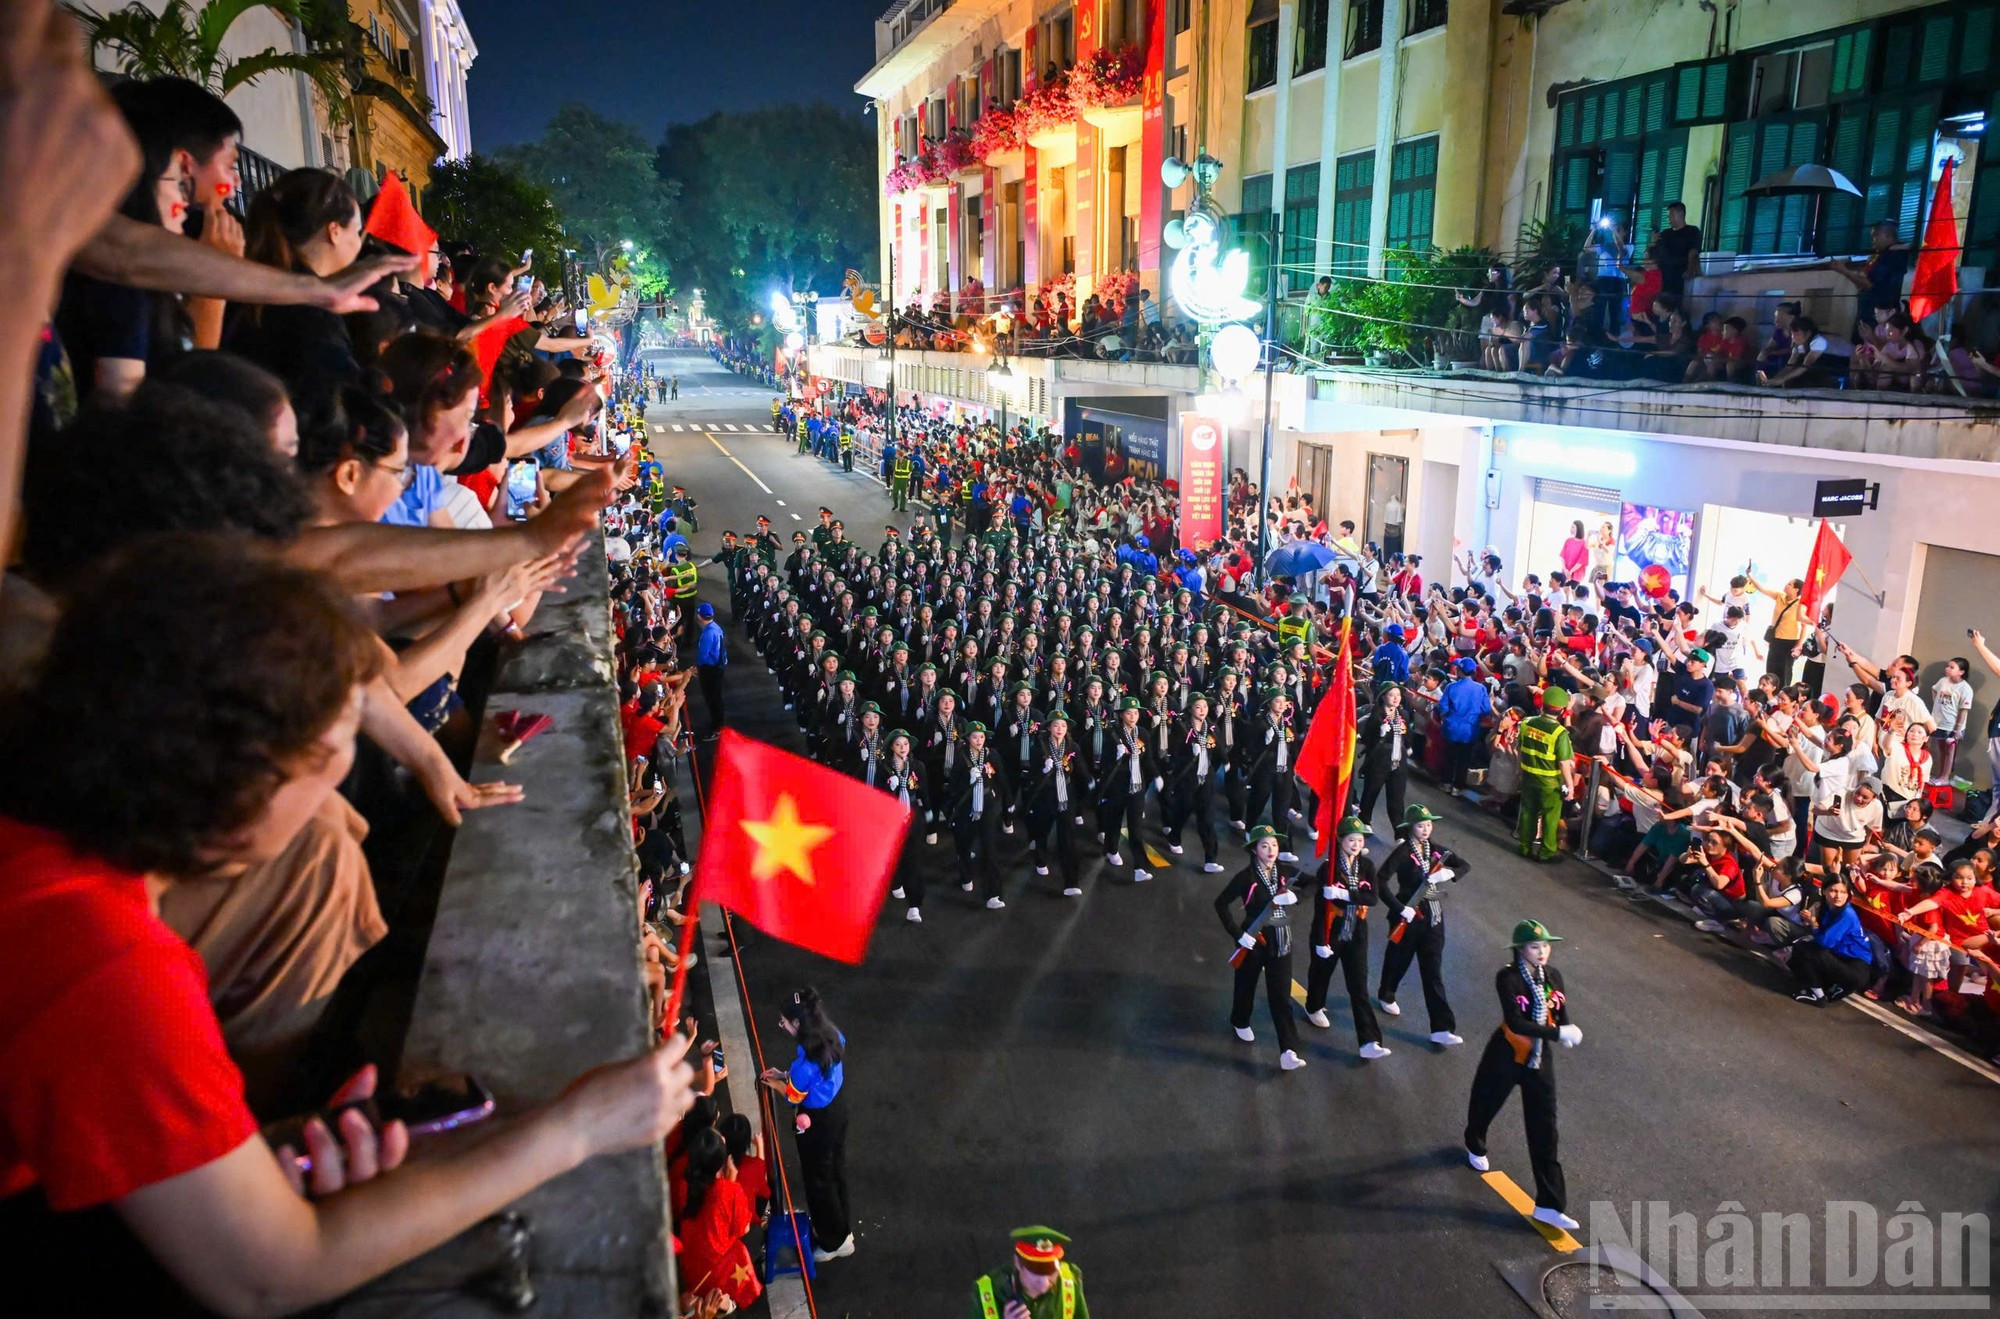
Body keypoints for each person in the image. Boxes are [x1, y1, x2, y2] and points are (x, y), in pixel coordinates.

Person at [0, 538, 698, 1315]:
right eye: (331, 764)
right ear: (248, 783)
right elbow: (268, 1272)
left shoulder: (53, 845)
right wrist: (574, 1127)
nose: (338, 799)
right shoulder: (102, 964)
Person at [1463, 920, 1582, 1232]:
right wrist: (1558, 1033)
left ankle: (1550, 1204)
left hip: (1540, 1059)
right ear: (1520, 949)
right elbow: (1515, 1023)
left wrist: (1566, 1032)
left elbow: (1560, 1013)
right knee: (1485, 1104)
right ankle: (1474, 1141)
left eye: (1545, 945)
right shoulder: (1508, 977)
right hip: (1506, 1053)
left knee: (1546, 1128)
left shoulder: (1554, 976)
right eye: (1534, 946)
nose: (1541, 952)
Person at [759, 987, 853, 1262]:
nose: (784, 1026)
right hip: (837, 1110)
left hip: (817, 1124)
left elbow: (792, 1096)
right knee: (836, 1171)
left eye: (784, 1022)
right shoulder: (834, 1035)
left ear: (797, 1024)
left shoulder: (804, 1067)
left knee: (818, 1181)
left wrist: (776, 1082)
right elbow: (816, 1076)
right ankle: (842, 1227)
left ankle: (833, 1241)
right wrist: (785, 1074)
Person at [1213, 825, 1307, 1071]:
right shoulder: (1246, 877)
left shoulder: (1285, 872)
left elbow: (1313, 883)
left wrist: (1297, 898)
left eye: (1274, 845)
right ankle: (1240, 1020)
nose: (1271, 850)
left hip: (1281, 940)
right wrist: (1238, 934)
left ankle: (1288, 1049)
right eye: (1264, 846)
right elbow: (1221, 903)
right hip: (1254, 940)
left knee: (1281, 997)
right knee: (1246, 985)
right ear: (1254, 850)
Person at [1376, 804, 1468, 1044]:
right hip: (1408, 914)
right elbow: (1380, 880)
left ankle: (1441, 1027)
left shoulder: (1437, 850)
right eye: (1420, 825)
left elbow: (1463, 864)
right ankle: (1387, 993)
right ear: (1410, 827)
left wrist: (1449, 874)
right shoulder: (1403, 852)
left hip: (1434, 916)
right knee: (1398, 960)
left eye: (1428, 824)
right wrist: (1399, 908)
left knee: (1433, 971)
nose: (1426, 829)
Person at [1303, 818, 1391, 1058]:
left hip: (1357, 930)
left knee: (1359, 985)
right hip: (1332, 927)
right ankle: (1313, 1006)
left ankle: (1369, 1041)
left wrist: (1345, 893)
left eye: (1360, 840)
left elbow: (1372, 898)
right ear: (1340, 839)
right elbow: (1321, 909)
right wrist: (1321, 941)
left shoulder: (1367, 866)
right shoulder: (1328, 869)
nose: (1356, 843)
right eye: (1351, 839)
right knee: (1321, 973)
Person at [1785, 876, 1875, 1005]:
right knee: (1801, 951)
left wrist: (1814, 923)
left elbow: (1825, 942)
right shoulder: (1828, 908)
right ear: (1824, 891)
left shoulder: (1846, 914)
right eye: (1833, 891)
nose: (1838, 896)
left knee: (1803, 949)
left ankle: (1818, 996)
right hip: (1841, 958)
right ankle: (1826, 985)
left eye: (1843, 892)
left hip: (1855, 967)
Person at [967, 1226, 1090, 1319]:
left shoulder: (1070, 1281)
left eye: (1051, 1271)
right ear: (1017, 1263)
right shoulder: (987, 1292)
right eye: (1036, 1270)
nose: (1044, 1280)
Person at [1516, 687, 1577, 862]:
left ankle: (1525, 846)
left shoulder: (1526, 722)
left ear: (1543, 705)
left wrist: (1519, 771)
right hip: (1550, 782)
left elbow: (1519, 748)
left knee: (1528, 812)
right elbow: (1564, 762)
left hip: (1528, 776)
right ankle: (1546, 852)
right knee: (1551, 817)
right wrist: (1570, 787)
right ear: (1562, 711)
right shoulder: (1560, 733)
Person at [694, 601, 728, 739]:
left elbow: (703, 656)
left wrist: (698, 668)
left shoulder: (708, 633)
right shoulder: (716, 627)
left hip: (710, 670)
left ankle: (717, 728)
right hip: (718, 668)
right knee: (716, 698)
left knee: (712, 698)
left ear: (699, 616)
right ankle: (718, 724)